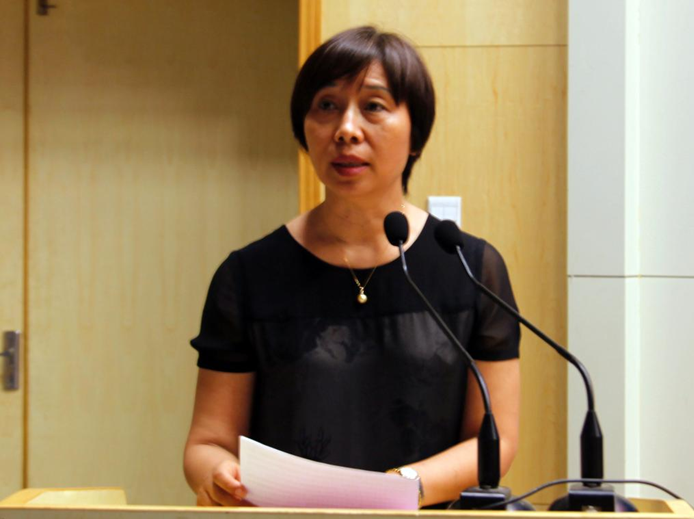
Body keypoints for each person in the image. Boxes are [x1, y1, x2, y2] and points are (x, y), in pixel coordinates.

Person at [184, 26, 521, 508]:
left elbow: (495, 440)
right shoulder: (247, 276)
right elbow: (207, 443)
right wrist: (218, 473)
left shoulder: (470, 268)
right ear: (304, 128)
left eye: (373, 106)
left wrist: (395, 489)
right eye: (326, 105)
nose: (346, 129)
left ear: (416, 133)